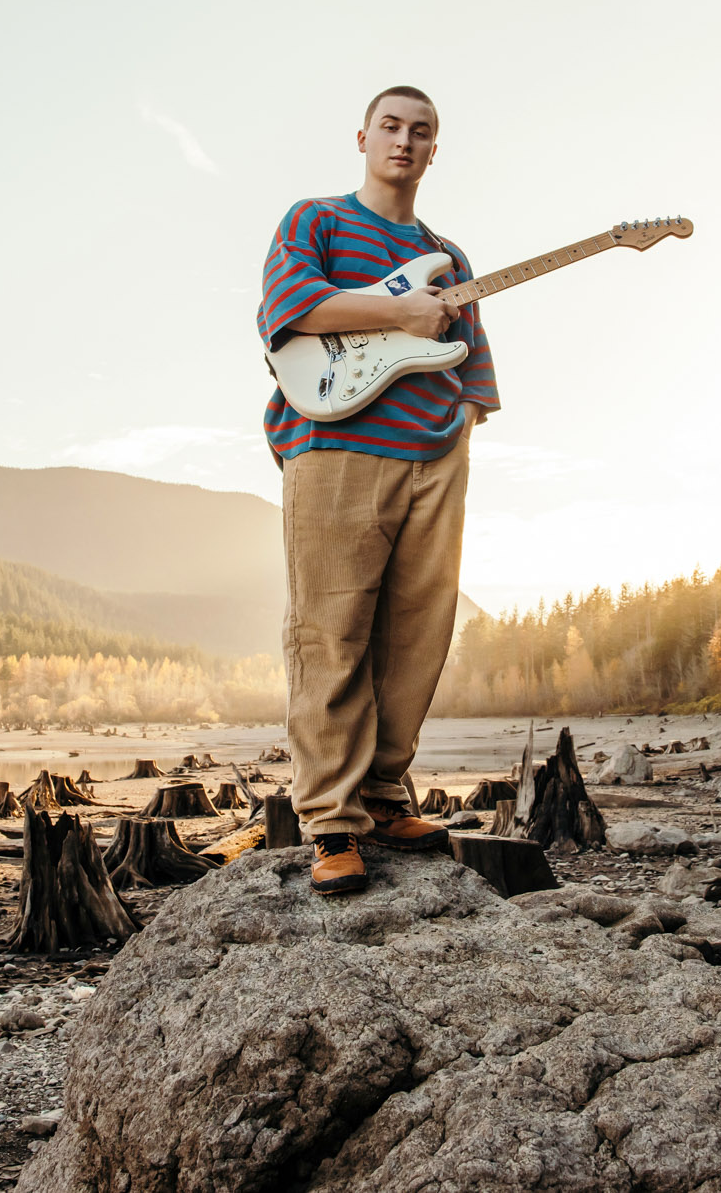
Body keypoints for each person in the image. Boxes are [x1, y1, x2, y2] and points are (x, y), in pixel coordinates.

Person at [256, 87, 498, 894]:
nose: (404, 140)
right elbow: (289, 307)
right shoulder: (315, 220)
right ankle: (331, 821)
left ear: (434, 150)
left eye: (420, 131)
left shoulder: (448, 256)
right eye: (390, 126)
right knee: (329, 630)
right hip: (334, 447)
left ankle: (386, 794)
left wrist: (463, 426)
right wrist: (401, 315)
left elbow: (475, 360)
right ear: (362, 137)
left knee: (419, 632)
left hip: (435, 453)